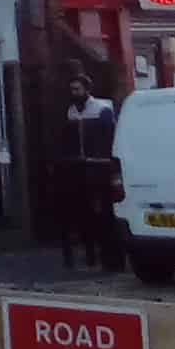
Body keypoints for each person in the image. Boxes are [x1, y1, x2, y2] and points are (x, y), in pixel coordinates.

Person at [62, 73, 119, 269]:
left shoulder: (101, 109)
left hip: (101, 167)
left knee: (105, 213)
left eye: (77, 89)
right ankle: (91, 255)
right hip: (81, 169)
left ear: (87, 90)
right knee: (85, 213)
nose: (74, 93)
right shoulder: (72, 111)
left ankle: (110, 258)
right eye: (72, 90)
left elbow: (108, 139)